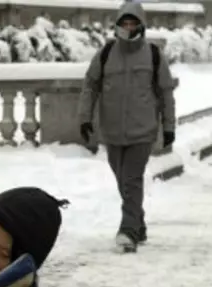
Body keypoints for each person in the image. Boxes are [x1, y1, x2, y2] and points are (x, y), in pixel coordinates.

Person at [77, 1, 176, 253]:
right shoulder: (106, 53)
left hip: (142, 131)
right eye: (124, 23)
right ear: (118, 25)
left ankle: (128, 231)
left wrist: (168, 127)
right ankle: (138, 223)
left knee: (131, 180)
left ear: (141, 24)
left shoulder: (153, 55)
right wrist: (84, 118)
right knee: (123, 181)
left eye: (133, 23)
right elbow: (90, 85)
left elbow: (166, 93)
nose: (128, 27)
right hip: (112, 131)